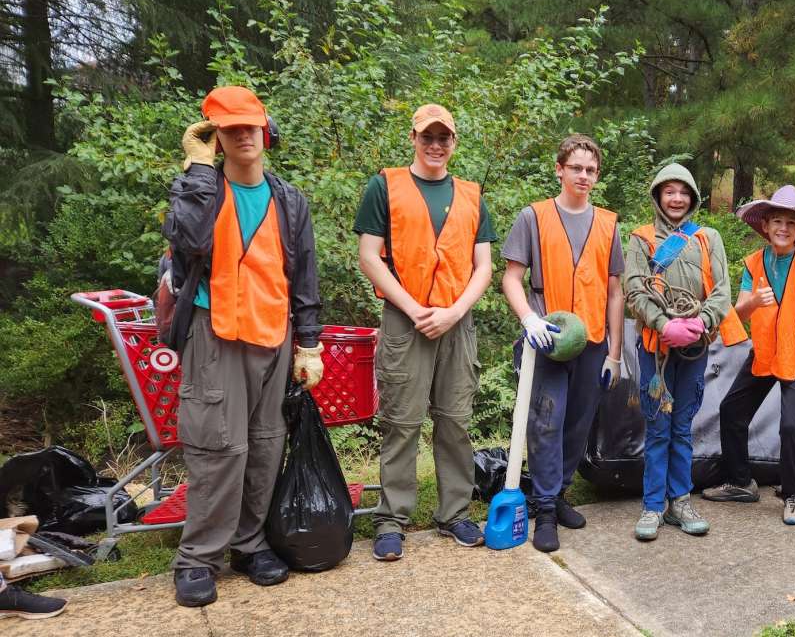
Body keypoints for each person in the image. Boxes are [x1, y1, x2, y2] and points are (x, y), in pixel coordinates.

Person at [164, 86, 323, 606]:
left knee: (264, 444)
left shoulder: (289, 200)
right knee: (218, 448)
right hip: (215, 334)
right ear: (215, 137)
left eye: (250, 125)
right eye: (229, 128)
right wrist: (197, 172)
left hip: (273, 335)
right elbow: (186, 243)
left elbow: (304, 278)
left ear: (265, 130)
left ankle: (249, 544)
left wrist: (310, 344)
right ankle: (197, 559)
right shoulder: (203, 190)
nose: (243, 135)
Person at [355, 104, 497, 560]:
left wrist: (454, 312)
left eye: (444, 138)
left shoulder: (472, 195)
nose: (436, 146)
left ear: (454, 142)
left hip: (456, 320)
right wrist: (415, 308)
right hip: (406, 318)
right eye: (427, 137)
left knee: (455, 420)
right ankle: (392, 518)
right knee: (401, 421)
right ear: (413, 138)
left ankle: (454, 513)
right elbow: (369, 257)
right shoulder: (385, 186)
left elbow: (484, 266)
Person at [501, 134, 625, 553]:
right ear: (559, 169)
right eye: (576, 167)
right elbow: (511, 278)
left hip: (591, 342)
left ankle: (561, 492)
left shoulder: (608, 224)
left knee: (577, 424)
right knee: (546, 424)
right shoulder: (533, 217)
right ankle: (545, 508)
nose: (584, 176)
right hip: (548, 342)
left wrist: (614, 353)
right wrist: (529, 318)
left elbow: (614, 292)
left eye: (591, 170)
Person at [702, 186, 795, 526]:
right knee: (731, 410)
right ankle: (740, 482)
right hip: (765, 353)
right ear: (765, 227)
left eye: (789, 223)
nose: (783, 229)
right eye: (776, 222)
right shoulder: (754, 263)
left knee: (789, 427)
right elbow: (738, 313)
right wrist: (754, 302)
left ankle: (793, 494)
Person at [624, 164, 744, 540]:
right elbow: (634, 289)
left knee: (683, 426)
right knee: (658, 427)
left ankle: (680, 501)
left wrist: (701, 323)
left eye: (683, 192)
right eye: (669, 191)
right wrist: (664, 325)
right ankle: (652, 505)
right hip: (654, 350)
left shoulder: (708, 238)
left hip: (694, 348)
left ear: (692, 197)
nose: (676, 199)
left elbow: (722, 290)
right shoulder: (641, 239)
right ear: (658, 196)